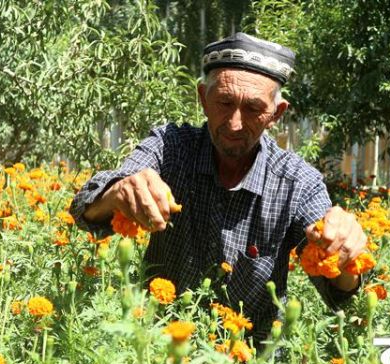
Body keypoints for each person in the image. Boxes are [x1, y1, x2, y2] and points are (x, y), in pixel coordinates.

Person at [69, 32, 368, 346]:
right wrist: (118, 191)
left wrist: (344, 253)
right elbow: (84, 210)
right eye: (224, 103)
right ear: (202, 99)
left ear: (276, 114)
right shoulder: (169, 147)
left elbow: (341, 295)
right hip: (161, 351)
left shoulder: (297, 182)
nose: (235, 123)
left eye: (253, 108)